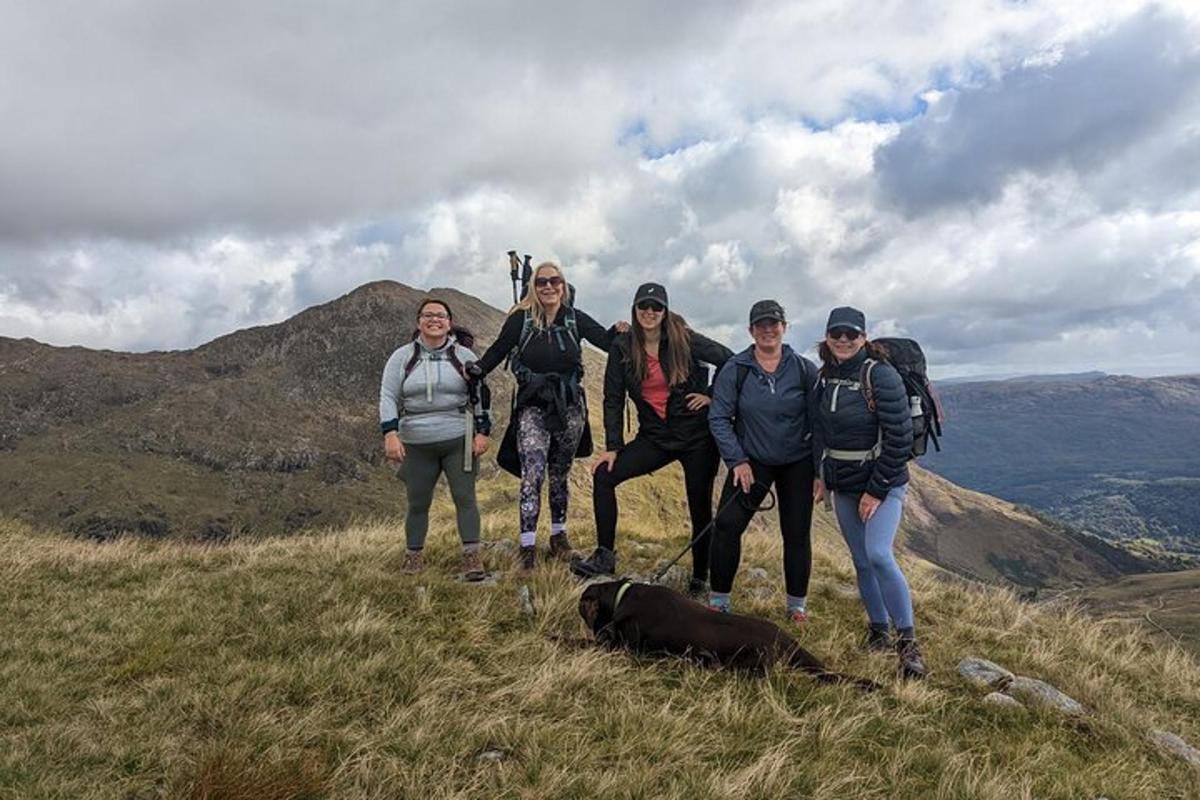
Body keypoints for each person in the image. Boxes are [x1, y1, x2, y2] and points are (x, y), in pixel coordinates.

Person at [570, 283, 733, 596]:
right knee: (604, 476)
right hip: (656, 437)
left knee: (700, 507)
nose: (649, 312)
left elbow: (729, 359)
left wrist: (712, 396)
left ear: (665, 311)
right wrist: (613, 448)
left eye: (656, 307)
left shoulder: (683, 339)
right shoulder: (622, 346)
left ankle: (700, 577)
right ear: (634, 308)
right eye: (643, 306)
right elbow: (612, 398)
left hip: (697, 437)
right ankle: (605, 556)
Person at [471, 262, 617, 570]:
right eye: (541, 282)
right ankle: (527, 547)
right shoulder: (520, 321)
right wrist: (476, 371)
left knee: (560, 473)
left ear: (563, 286)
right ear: (533, 288)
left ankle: (558, 538)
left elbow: (607, 342)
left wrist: (622, 331)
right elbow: (498, 351)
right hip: (532, 407)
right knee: (532, 476)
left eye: (554, 281)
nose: (548, 287)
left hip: (569, 407)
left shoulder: (575, 319)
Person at [812, 305, 926, 680]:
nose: (844, 340)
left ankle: (908, 643)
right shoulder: (824, 377)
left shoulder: (881, 376)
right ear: (827, 337)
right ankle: (878, 630)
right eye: (837, 334)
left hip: (883, 484)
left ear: (864, 338)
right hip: (842, 484)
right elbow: (818, 433)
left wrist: (876, 491)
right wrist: (820, 475)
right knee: (860, 560)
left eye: (852, 334)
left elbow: (900, 438)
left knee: (878, 554)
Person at [707, 300, 819, 625]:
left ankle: (796, 606)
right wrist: (737, 460)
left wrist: (820, 471)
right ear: (751, 330)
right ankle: (719, 602)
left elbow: (819, 421)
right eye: (761, 325)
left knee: (796, 533)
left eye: (774, 323)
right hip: (752, 462)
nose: (768, 330)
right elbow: (718, 417)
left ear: (785, 327)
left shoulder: (803, 369)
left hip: (798, 462)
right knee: (727, 527)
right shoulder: (737, 368)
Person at [379, 298, 492, 580]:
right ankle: (413, 556)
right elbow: (388, 396)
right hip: (416, 440)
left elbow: (481, 394)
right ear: (418, 322)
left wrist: (482, 432)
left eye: (440, 316)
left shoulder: (464, 356)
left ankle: (471, 556)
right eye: (428, 315)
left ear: (449, 322)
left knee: (465, 498)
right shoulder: (402, 357)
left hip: (458, 437)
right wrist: (390, 433)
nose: (434, 320)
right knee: (417, 502)